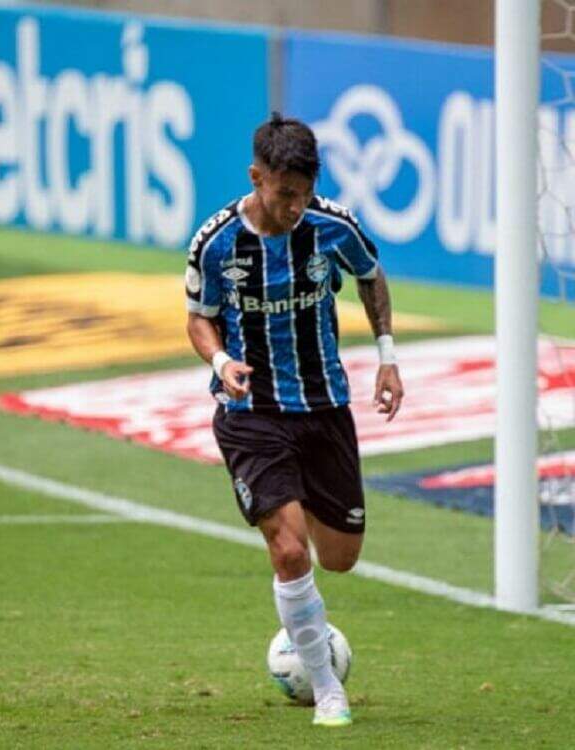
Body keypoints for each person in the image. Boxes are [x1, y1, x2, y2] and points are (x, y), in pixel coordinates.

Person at [184, 112, 404, 728]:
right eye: (284, 194)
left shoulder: (331, 227)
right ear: (257, 177)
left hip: (324, 406)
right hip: (250, 411)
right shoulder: (216, 242)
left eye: (303, 195)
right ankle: (328, 690)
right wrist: (222, 358)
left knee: (340, 556)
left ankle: (300, 582)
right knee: (288, 549)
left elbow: (370, 275)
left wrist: (387, 358)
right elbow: (198, 318)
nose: (293, 207)